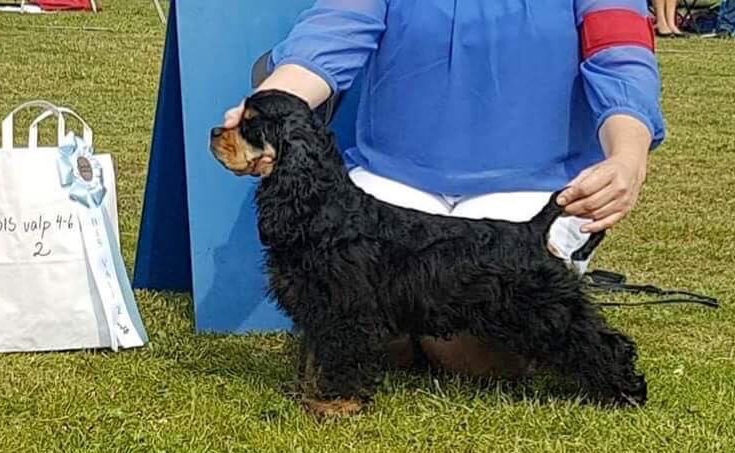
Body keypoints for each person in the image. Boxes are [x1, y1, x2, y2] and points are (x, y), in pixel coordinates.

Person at [221, 0, 666, 376]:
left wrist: (627, 158)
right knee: (342, 290)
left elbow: (620, 57)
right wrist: (268, 109)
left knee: (468, 353)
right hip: (393, 177)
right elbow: (333, 30)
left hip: (536, 184)